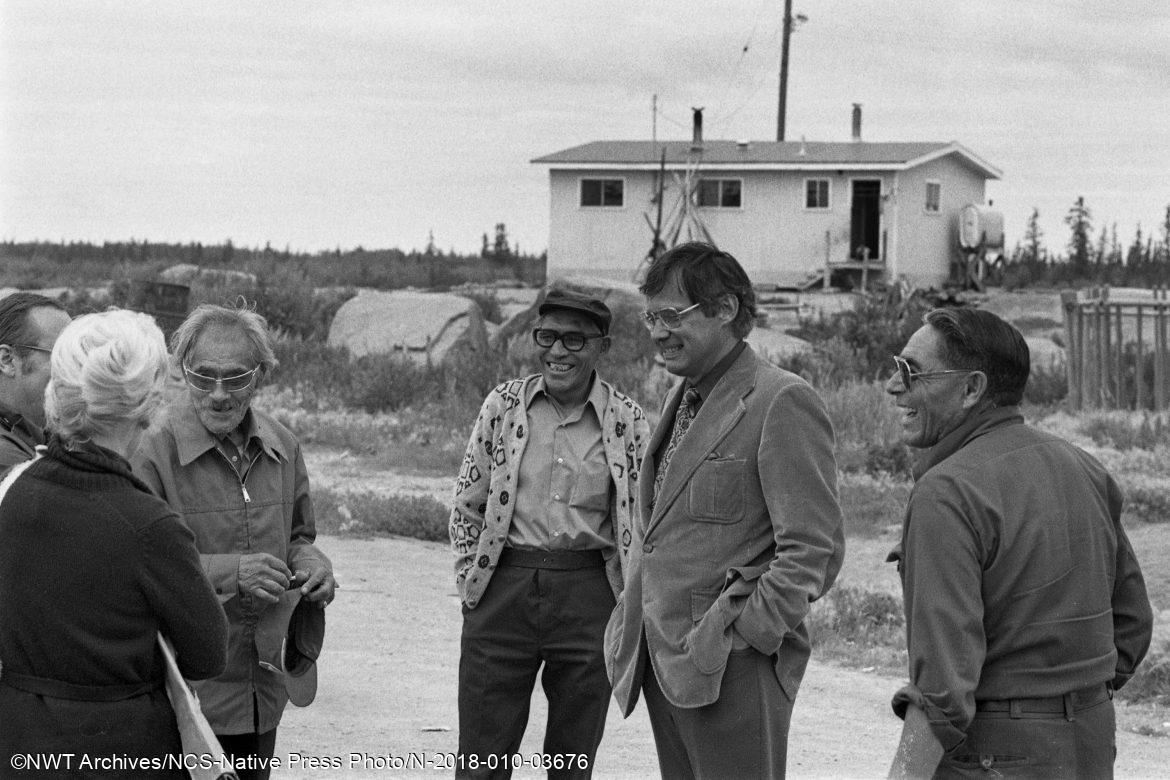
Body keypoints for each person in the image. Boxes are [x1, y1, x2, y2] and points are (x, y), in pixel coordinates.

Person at [605, 242, 845, 779]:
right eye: (652, 318)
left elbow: (814, 550)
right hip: (666, 663)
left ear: (726, 309)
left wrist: (743, 637)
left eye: (672, 316)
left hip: (733, 669)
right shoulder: (685, 396)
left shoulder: (781, 400)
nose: (658, 332)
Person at [885, 307, 1153, 778]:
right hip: (1090, 744)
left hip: (995, 753)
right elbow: (1132, 623)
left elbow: (942, 691)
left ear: (972, 389)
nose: (893, 386)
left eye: (912, 372)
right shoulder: (1082, 465)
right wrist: (1070, 701)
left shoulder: (947, 493)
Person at [0, 309, 228, 775]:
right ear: (149, 406)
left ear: (58, 393)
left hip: (17, 740)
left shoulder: (12, 491)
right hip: (120, 748)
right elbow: (208, 653)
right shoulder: (150, 525)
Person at [450, 288, 650, 778]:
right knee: (481, 759)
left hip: (589, 598)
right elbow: (467, 501)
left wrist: (629, 600)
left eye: (575, 341)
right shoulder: (502, 406)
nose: (558, 352)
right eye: (547, 337)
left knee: (571, 759)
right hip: (504, 589)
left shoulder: (628, 421)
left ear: (602, 347)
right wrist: (471, 583)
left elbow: (646, 520)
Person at [133, 303, 336, 780]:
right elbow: (138, 567)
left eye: (236, 378)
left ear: (261, 375)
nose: (219, 394)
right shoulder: (151, 451)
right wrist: (232, 572)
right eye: (202, 377)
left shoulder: (282, 445)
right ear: (182, 373)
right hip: (185, 693)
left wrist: (312, 562)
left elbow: (299, 536)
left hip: (262, 687)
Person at [0, 292, 72, 468]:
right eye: (62, 356)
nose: (75, 371)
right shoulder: (7, 458)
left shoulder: (34, 427)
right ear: (7, 360)